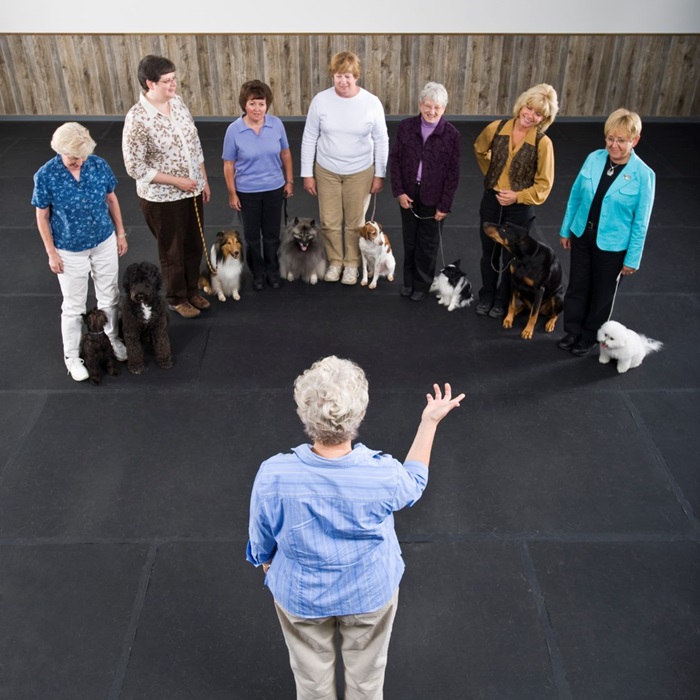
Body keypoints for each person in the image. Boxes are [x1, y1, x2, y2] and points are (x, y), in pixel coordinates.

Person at [247, 356, 465, 700]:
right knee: (367, 678)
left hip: (300, 594)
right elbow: (415, 483)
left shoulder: (274, 473)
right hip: (369, 592)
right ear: (360, 414)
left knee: (310, 681)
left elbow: (260, 535)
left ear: (304, 413)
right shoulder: (383, 474)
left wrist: (266, 561)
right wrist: (429, 423)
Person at [32, 122, 128, 382]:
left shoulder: (98, 165)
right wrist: (51, 253)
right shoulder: (46, 176)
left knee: (109, 296)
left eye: (83, 156)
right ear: (60, 150)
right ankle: (72, 358)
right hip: (69, 249)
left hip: (103, 240)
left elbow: (111, 198)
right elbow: (42, 217)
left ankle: (111, 339)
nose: (79, 161)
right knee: (74, 307)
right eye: (74, 157)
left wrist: (120, 233)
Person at [557, 108, 656, 356]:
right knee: (577, 286)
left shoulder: (644, 175)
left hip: (613, 246)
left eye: (621, 141)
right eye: (610, 138)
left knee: (602, 294)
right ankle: (572, 331)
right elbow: (575, 196)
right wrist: (566, 229)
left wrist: (632, 258)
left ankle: (590, 336)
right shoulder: (594, 158)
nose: (614, 145)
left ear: (635, 140)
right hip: (582, 235)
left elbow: (641, 222)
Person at [122, 54, 211, 319]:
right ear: (150, 83)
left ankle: (192, 289)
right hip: (162, 197)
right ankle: (176, 297)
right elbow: (134, 167)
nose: (174, 85)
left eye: (174, 79)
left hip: (192, 189)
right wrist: (177, 181)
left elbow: (194, 145)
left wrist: (202, 179)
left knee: (194, 244)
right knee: (173, 250)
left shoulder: (178, 103)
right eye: (167, 81)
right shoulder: (137, 119)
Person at [301, 51, 389, 285]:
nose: (343, 81)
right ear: (333, 76)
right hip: (327, 169)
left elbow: (382, 139)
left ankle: (351, 264)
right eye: (339, 76)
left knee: (355, 222)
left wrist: (380, 173)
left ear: (356, 76)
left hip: (360, 171)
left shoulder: (371, 102)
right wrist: (307, 173)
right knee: (329, 221)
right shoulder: (321, 100)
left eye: (348, 76)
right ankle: (335, 261)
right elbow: (309, 136)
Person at [473, 83, 559, 318]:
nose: (530, 116)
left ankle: (502, 300)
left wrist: (518, 196)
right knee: (488, 252)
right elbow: (480, 150)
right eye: (529, 108)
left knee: (513, 259)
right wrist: (492, 176)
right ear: (522, 104)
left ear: (544, 118)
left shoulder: (543, 143)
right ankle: (487, 295)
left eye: (538, 114)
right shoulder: (496, 128)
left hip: (519, 210)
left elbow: (544, 185)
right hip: (491, 202)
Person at [389, 81, 461, 302]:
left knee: (427, 244)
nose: (432, 112)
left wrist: (444, 205)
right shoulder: (406, 126)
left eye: (437, 108)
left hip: (434, 198)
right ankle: (408, 282)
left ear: (444, 109)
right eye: (428, 106)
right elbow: (396, 160)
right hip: (408, 194)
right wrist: (399, 191)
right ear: (420, 104)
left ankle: (421, 284)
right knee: (409, 240)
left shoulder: (451, 135)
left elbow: (452, 174)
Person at [223, 80, 294, 290]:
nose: (257, 109)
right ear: (244, 104)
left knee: (272, 235)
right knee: (252, 237)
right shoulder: (234, 130)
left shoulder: (276, 124)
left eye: (261, 104)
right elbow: (228, 165)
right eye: (252, 104)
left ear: (267, 105)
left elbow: (286, 154)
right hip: (247, 192)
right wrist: (232, 193)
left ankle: (273, 271)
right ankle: (258, 273)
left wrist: (289, 181)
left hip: (274, 189)